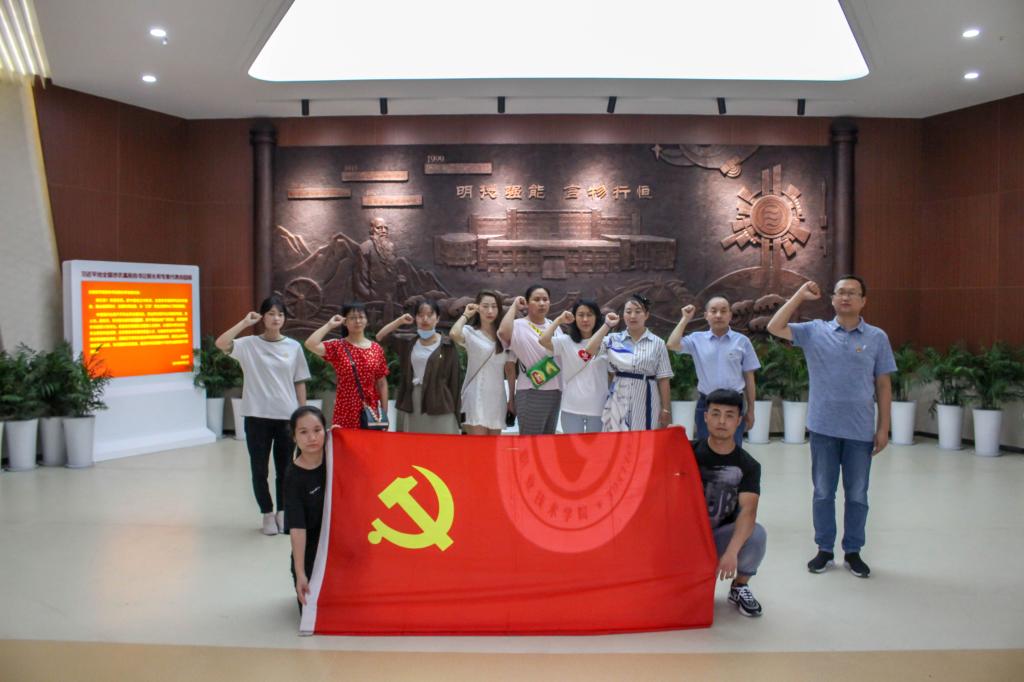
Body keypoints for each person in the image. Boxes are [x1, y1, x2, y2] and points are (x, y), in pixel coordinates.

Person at [767, 275, 896, 578]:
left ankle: (853, 551)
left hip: (859, 431)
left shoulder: (877, 337)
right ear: (833, 299)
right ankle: (824, 549)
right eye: (840, 292)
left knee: (858, 495)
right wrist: (800, 295)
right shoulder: (815, 331)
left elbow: (883, 384)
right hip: (823, 428)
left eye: (852, 293)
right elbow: (774, 326)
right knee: (823, 493)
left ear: (863, 300)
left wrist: (883, 428)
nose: (845, 297)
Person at [216, 296, 310, 536]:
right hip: (256, 416)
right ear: (263, 317)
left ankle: (283, 512)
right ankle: (267, 513)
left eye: (280, 314)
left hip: (286, 417)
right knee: (259, 469)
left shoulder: (293, 347)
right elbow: (221, 343)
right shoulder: (248, 345)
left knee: (286, 469)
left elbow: (299, 381)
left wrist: (302, 415)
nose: (276, 318)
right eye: (271, 313)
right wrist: (244, 323)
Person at [692, 389, 767, 617]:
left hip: (719, 537)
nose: (722, 421)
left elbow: (748, 511)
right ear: (706, 417)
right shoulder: (686, 451)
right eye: (715, 414)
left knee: (756, 535)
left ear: (739, 421)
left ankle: (739, 586)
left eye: (729, 415)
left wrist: (732, 552)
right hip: (687, 539)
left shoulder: (748, 465)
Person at [667, 297, 760, 446]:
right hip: (707, 403)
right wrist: (685, 319)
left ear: (730, 315)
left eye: (723, 311)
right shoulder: (696, 339)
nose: (718, 315)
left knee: (733, 449)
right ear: (706, 315)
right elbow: (672, 344)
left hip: (734, 404)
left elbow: (749, 377)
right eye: (714, 311)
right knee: (705, 449)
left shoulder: (742, 341)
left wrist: (751, 410)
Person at [585, 294, 673, 431]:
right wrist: (607, 325)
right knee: (616, 439)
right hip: (618, 398)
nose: (633, 316)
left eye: (638, 311)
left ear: (646, 315)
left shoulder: (657, 343)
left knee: (644, 439)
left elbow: (664, 378)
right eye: (628, 311)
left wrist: (666, 409)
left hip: (646, 398)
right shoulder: (613, 339)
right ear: (623, 315)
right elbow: (589, 350)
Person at [377, 299, 461, 434]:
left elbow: (454, 379)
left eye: (430, 315)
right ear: (415, 318)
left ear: (437, 318)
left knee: (442, 443)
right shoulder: (409, 343)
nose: (425, 319)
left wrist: (457, 411)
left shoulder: (446, 345)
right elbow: (380, 336)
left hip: (440, 402)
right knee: (415, 443)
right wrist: (400, 321)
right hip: (414, 400)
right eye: (420, 315)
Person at [305, 302, 389, 430]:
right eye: (352, 317)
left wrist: (384, 413)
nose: (358, 321)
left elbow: (382, 383)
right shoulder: (338, 346)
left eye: (361, 317)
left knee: (369, 443)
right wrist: (329, 325)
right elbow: (310, 344)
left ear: (366, 320)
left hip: (371, 412)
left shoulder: (376, 349)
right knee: (345, 442)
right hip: (345, 409)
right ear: (345, 321)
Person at [498, 285, 563, 435]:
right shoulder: (518, 326)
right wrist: (514, 306)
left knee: (548, 440)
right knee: (530, 442)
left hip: (555, 391)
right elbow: (502, 333)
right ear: (527, 303)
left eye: (545, 299)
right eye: (536, 299)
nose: (542, 303)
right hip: (531, 391)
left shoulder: (554, 326)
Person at [539, 300, 609, 434]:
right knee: (572, 446)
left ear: (597, 318)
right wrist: (559, 320)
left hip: (599, 408)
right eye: (581, 315)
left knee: (596, 447)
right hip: (571, 408)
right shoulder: (566, 341)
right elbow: (543, 340)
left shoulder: (606, 342)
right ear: (574, 318)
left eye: (589, 315)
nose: (585, 319)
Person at [450, 290, 514, 435]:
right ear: (478, 308)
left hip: (497, 398)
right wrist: (466, 315)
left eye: (494, 306)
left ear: (499, 309)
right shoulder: (470, 332)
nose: (490, 311)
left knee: (494, 446)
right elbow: (454, 334)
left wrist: (512, 399)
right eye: (485, 306)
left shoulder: (504, 336)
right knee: (477, 445)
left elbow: (510, 369)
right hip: (475, 396)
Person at [283, 405, 327, 613]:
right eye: (303, 432)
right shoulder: (294, 477)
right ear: (294, 437)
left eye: (317, 430)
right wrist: (300, 572)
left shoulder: (337, 459)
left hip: (340, 542)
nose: (312, 438)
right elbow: (297, 529)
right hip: (312, 547)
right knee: (313, 613)